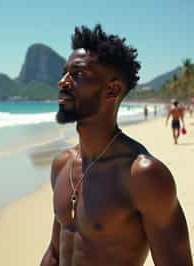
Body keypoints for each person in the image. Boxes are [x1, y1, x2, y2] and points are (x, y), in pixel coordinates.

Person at [41, 25, 193, 266]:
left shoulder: (143, 176)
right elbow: (55, 253)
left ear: (112, 89)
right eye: (64, 73)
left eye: (77, 74)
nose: (62, 82)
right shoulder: (63, 165)